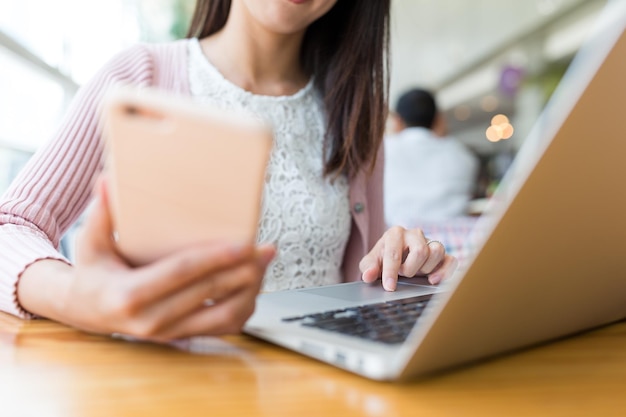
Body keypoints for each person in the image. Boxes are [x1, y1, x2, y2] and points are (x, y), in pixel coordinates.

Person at [0, 0, 456, 343]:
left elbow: (363, 287)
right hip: (168, 385)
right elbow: (11, 227)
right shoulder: (141, 75)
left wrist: (403, 274)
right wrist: (79, 296)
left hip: (316, 389)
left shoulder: (357, 116)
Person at [384, 88, 479, 226]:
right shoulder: (463, 156)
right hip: (460, 242)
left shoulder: (384, 151)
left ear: (397, 120)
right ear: (438, 119)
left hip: (403, 243)